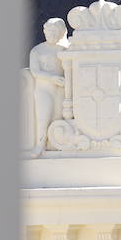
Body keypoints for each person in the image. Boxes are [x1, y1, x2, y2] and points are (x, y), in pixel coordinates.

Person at [28, 18, 69, 153]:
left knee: (58, 117)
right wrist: (52, 78)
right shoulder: (37, 51)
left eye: (54, 32)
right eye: (48, 32)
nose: (50, 35)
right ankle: (40, 144)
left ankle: (56, 143)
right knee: (43, 117)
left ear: (60, 33)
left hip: (61, 90)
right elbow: (35, 72)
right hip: (43, 90)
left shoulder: (66, 50)